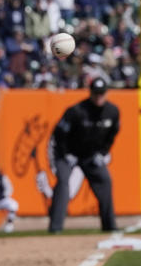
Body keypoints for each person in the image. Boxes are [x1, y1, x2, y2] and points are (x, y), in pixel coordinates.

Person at [47, 77, 120, 233]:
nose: (99, 97)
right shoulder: (76, 111)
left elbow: (112, 136)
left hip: (90, 155)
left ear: (106, 93)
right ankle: (55, 227)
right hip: (67, 154)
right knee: (63, 183)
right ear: (90, 93)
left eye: (102, 93)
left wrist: (102, 153)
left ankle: (110, 226)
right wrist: (66, 154)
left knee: (105, 180)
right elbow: (59, 134)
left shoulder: (112, 112)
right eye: (96, 93)